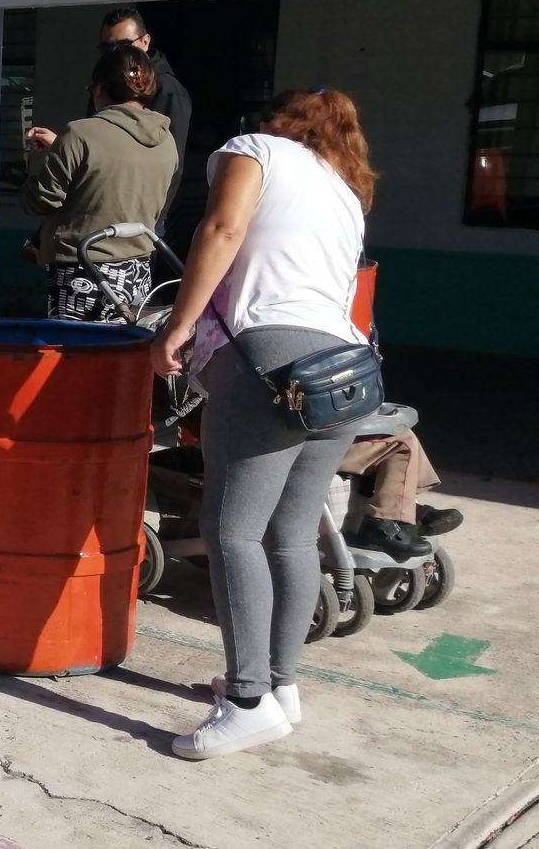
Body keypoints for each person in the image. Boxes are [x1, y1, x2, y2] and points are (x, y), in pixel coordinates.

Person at [149, 88, 377, 760]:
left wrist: (179, 325)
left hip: (269, 358)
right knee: (291, 531)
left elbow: (222, 230)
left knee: (232, 528)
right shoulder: (343, 188)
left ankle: (247, 700)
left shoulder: (256, 151)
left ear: (280, 122)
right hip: (346, 366)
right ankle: (282, 686)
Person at [23, 46, 180, 322]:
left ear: (100, 89)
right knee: (122, 353)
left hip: (80, 270)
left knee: (73, 355)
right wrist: (61, 147)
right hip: (137, 270)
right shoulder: (166, 139)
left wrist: (39, 165)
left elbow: (40, 199)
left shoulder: (80, 134)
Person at [339, 430, 463, 556]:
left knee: (398, 430)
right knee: (403, 443)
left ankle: (404, 510)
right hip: (325, 446)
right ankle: (385, 524)